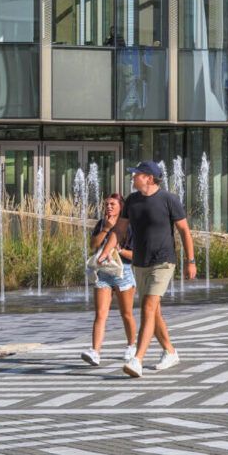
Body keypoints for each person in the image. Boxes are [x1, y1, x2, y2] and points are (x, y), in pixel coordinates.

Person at [102, 160, 195, 378]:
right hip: (140, 262)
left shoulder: (169, 200)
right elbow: (119, 230)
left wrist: (190, 261)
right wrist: (106, 251)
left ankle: (138, 359)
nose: (132, 178)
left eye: (136, 175)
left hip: (163, 261)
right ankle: (170, 351)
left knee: (148, 307)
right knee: (154, 311)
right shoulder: (132, 201)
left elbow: (184, 232)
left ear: (149, 178)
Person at [80, 193, 137, 367]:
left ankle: (131, 345)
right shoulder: (102, 223)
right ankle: (95, 351)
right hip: (103, 272)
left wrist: (118, 250)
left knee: (126, 313)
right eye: (106, 204)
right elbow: (93, 246)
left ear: (121, 206)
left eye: (112, 204)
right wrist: (105, 229)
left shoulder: (129, 226)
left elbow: (134, 255)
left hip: (122, 272)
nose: (108, 207)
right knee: (100, 314)